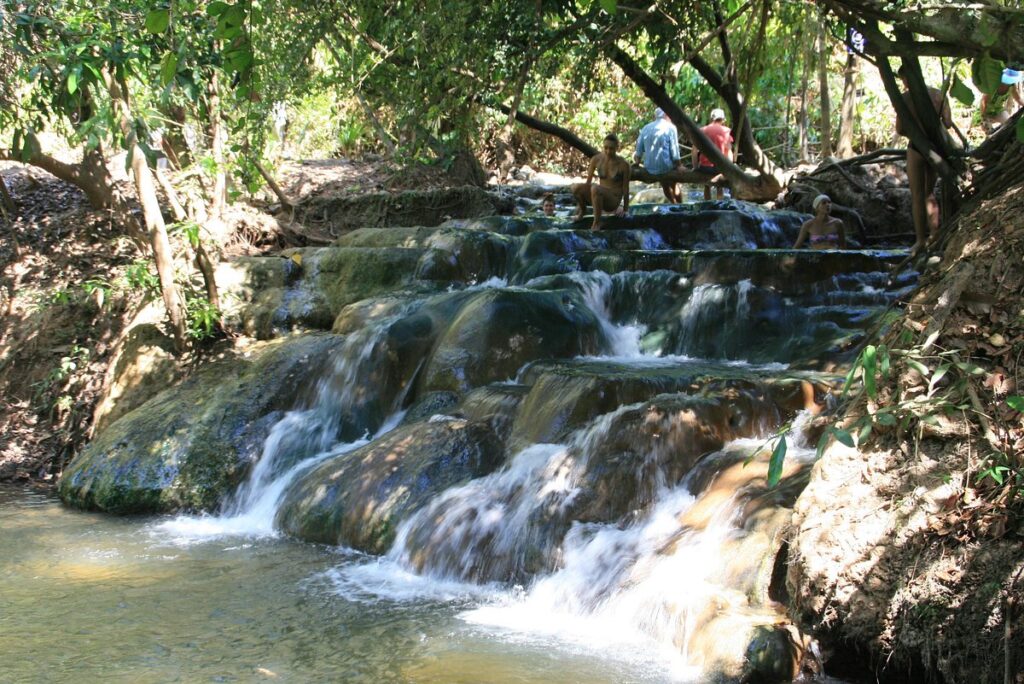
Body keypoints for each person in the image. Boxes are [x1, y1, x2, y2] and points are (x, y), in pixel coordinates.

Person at [895, 64, 952, 256]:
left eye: (903, 79)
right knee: (928, 194)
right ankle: (934, 235)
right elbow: (948, 123)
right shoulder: (938, 94)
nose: (903, 84)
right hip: (935, 148)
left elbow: (900, 129)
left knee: (917, 195)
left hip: (917, 147)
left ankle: (920, 240)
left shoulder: (905, 98)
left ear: (908, 78)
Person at [572, 133, 630, 230]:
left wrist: (625, 209)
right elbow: (588, 183)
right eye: (605, 148)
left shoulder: (623, 165)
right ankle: (582, 212)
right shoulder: (596, 159)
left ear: (617, 147)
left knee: (595, 188)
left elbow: (626, 188)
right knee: (575, 188)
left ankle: (597, 223)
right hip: (599, 197)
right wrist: (579, 204)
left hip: (613, 200)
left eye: (611, 148)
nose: (608, 151)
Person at [633, 108, 683, 203]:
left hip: (649, 168)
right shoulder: (671, 127)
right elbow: (674, 151)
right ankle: (680, 205)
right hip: (666, 167)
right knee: (674, 184)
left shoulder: (645, 128)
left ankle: (673, 203)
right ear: (666, 116)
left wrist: (637, 162)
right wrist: (679, 165)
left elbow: (638, 150)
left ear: (655, 116)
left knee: (664, 184)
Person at [691, 108, 733, 200]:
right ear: (723, 119)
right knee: (720, 186)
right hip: (720, 168)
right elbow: (729, 151)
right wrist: (729, 169)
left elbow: (694, 151)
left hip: (705, 168)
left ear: (711, 119)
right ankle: (719, 205)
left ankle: (707, 205)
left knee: (707, 186)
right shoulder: (727, 131)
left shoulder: (702, 130)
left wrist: (695, 167)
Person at [980, 67, 1024, 132]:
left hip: (998, 110)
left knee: (1010, 125)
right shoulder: (994, 85)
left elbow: (1018, 98)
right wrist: (984, 117)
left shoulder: (1012, 86)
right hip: (985, 112)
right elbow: (984, 101)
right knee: (989, 132)